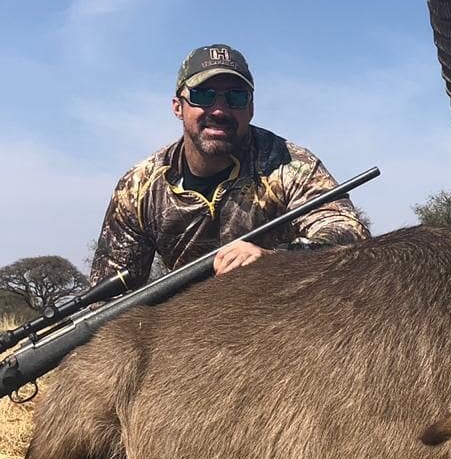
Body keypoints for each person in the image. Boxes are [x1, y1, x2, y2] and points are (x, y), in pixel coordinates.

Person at [90, 44, 370, 288]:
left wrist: (276, 261)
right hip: (184, 329)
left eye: (236, 97)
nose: (220, 110)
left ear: (251, 107)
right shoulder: (139, 187)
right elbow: (108, 296)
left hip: (282, 320)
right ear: (178, 106)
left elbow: (347, 233)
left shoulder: (292, 165)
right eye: (203, 95)